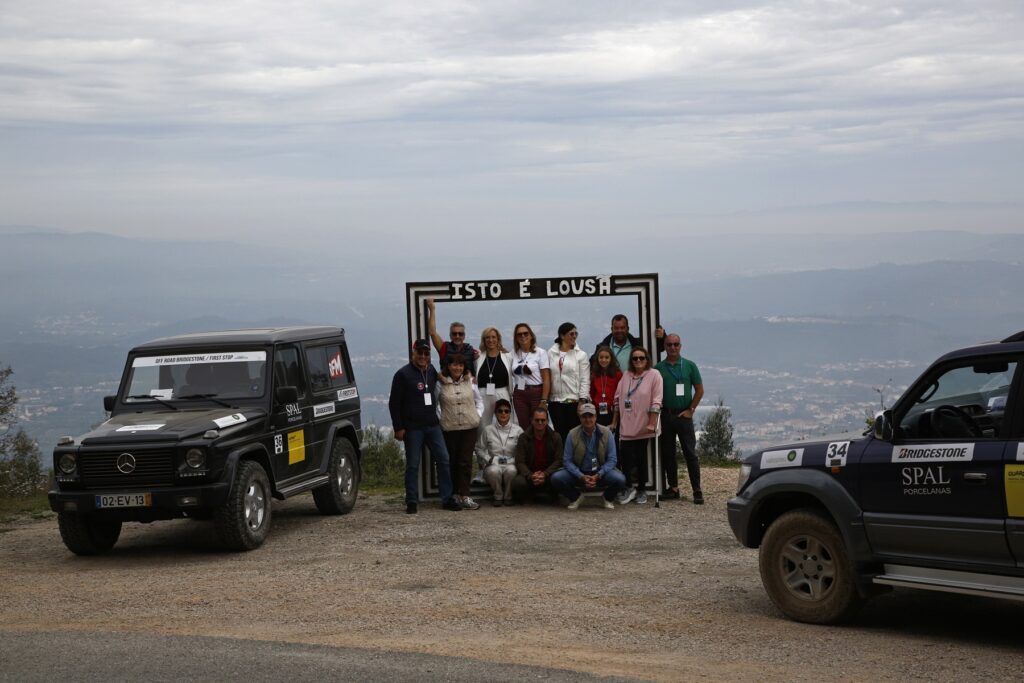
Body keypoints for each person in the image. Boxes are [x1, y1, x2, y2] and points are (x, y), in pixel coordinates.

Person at [388, 339, 462, 514]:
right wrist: (398, 427)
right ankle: (411, 501)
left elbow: (445, 380)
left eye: (426, 353)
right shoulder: (402, 374)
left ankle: (447, 498)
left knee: (444, 460)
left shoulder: (431, 371)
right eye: (419, 353)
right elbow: (394, 403)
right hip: (413, 428)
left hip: (432, 425)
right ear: (413, 353)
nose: (423, 356)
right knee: (413, 464)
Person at [655, 333, 705, 504]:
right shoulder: (658, 368)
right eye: (669, 345)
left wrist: (691, 409)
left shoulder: (690, 366)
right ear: (665, 347)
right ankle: (673, 488)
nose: (673, 348)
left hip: (684, 416)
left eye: (676, 344)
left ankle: (697, 490)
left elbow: (699, 390)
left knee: (690, 453)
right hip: (666, 415)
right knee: (668, 453)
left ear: (680, 346)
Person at [550, 403, 627, 510]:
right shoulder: (572, 434)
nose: (588, 419)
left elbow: (612, 459)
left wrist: (599, 474)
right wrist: (580, 475)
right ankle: (575, 497)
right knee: (556, 478)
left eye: (590, 416)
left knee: (620, 479)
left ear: (595, 417)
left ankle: (607, 498)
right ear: (580, 418)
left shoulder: (607, 433)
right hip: (579, 473)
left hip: (601, 473)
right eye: (584, 416)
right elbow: (567, 461)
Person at [613, 345, 663, 505]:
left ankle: (641, 489)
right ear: (631, 361)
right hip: (626, 426)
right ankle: (628, 487)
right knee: (625, 459)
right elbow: (618, 398)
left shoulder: (654, 375)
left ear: (646, 359)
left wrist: (652, 422)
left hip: (644, 425)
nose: (638, 361)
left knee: (641, 459)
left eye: (642, 358)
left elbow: (657, 400)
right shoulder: (626, 375)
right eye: (635, 358)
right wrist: (614, 421)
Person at [437, 353, 483, 510]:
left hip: (469, 427)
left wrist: (478, 414)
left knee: (465, 461)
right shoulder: (440, 383)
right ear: (448, 366)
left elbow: (479, 400)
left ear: (464, 367)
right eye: (454, 364)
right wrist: (442, 418)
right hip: (450, 428)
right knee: (451, 461)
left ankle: (465, 495)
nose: (457, 368)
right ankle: (453, 494)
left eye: (460, 365)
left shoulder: (470, 381)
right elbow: (436, 403)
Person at [546, 322, 590, 443]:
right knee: (559, 436)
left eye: (576, 333)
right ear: (562, 335)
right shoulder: (551, 353)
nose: (574, 336)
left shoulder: (581, 355)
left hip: (573, 401)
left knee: (574, 436)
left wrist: (582, 400)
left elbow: (585, 379)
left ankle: (574, 461)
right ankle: (561, 460)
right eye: (571, 333)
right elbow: (547, 376)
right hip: (555, 401)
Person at [474, 398, 523, 506]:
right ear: (495, 413)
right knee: (493, 471)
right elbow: (479, 448)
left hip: (511, 463)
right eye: (500, 411)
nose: (503, 413)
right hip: (493, 463)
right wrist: (488, 458)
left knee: (511, 471)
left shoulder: (518, 430)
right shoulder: (488, 430)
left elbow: (523, 450)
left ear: (510, 413)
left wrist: (516, 461)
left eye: (506, 411)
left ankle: (508, 496)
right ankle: (498, 496)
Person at [511, 408, 563, 504]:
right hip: (530, 475)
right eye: (537, 420)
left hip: (548, 475)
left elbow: (559, 460)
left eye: (543, 420)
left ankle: (553, 497)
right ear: (532, 420)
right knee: (518, 482)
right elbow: (519, 461)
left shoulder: (556, 437)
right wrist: (530, 475)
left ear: (547, 421)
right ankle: (528, 497)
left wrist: (545, 474)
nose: (540, 422)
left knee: (559, 478)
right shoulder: (523, 437)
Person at [510, 322, 551, 429]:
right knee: (523, 426)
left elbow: (546, 379)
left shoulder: (540, 353)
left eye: (525, 333)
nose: (523, 336)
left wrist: (544, 400)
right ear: (516, 338)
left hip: (536, 393)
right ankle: (526, 445)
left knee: (538, 425)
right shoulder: (513, 353)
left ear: (531, 335)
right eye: (519, 334)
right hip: (519, 394)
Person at [595, 315, 663, 373]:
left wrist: (662, 336)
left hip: (634, 385)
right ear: (611, 329)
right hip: (611, 386)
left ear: (627, 328)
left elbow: (660, 347)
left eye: (622, 328)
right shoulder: (602, 347)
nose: (619, 331)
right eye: (616, 328)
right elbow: (593, 365)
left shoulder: (638, 345)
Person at [426, 298, 479, 373]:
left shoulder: (471, 351)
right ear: (450, 335)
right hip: (447, 383)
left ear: (464, 336)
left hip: (466, 384)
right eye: (454, 334)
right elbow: (432, 332)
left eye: (460, 334)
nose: (457, 336)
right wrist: (432, 309)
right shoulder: (444, 348)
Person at [590, 345, 622, 429]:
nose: (604, 360)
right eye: (601, 357)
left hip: (613, 412)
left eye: (607, 357)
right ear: (597, 359)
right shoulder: (594, 374)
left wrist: (614, 421)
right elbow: (592, 393)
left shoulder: (617, 374)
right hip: (597, 412)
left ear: (611, 359)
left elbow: (619, 395)